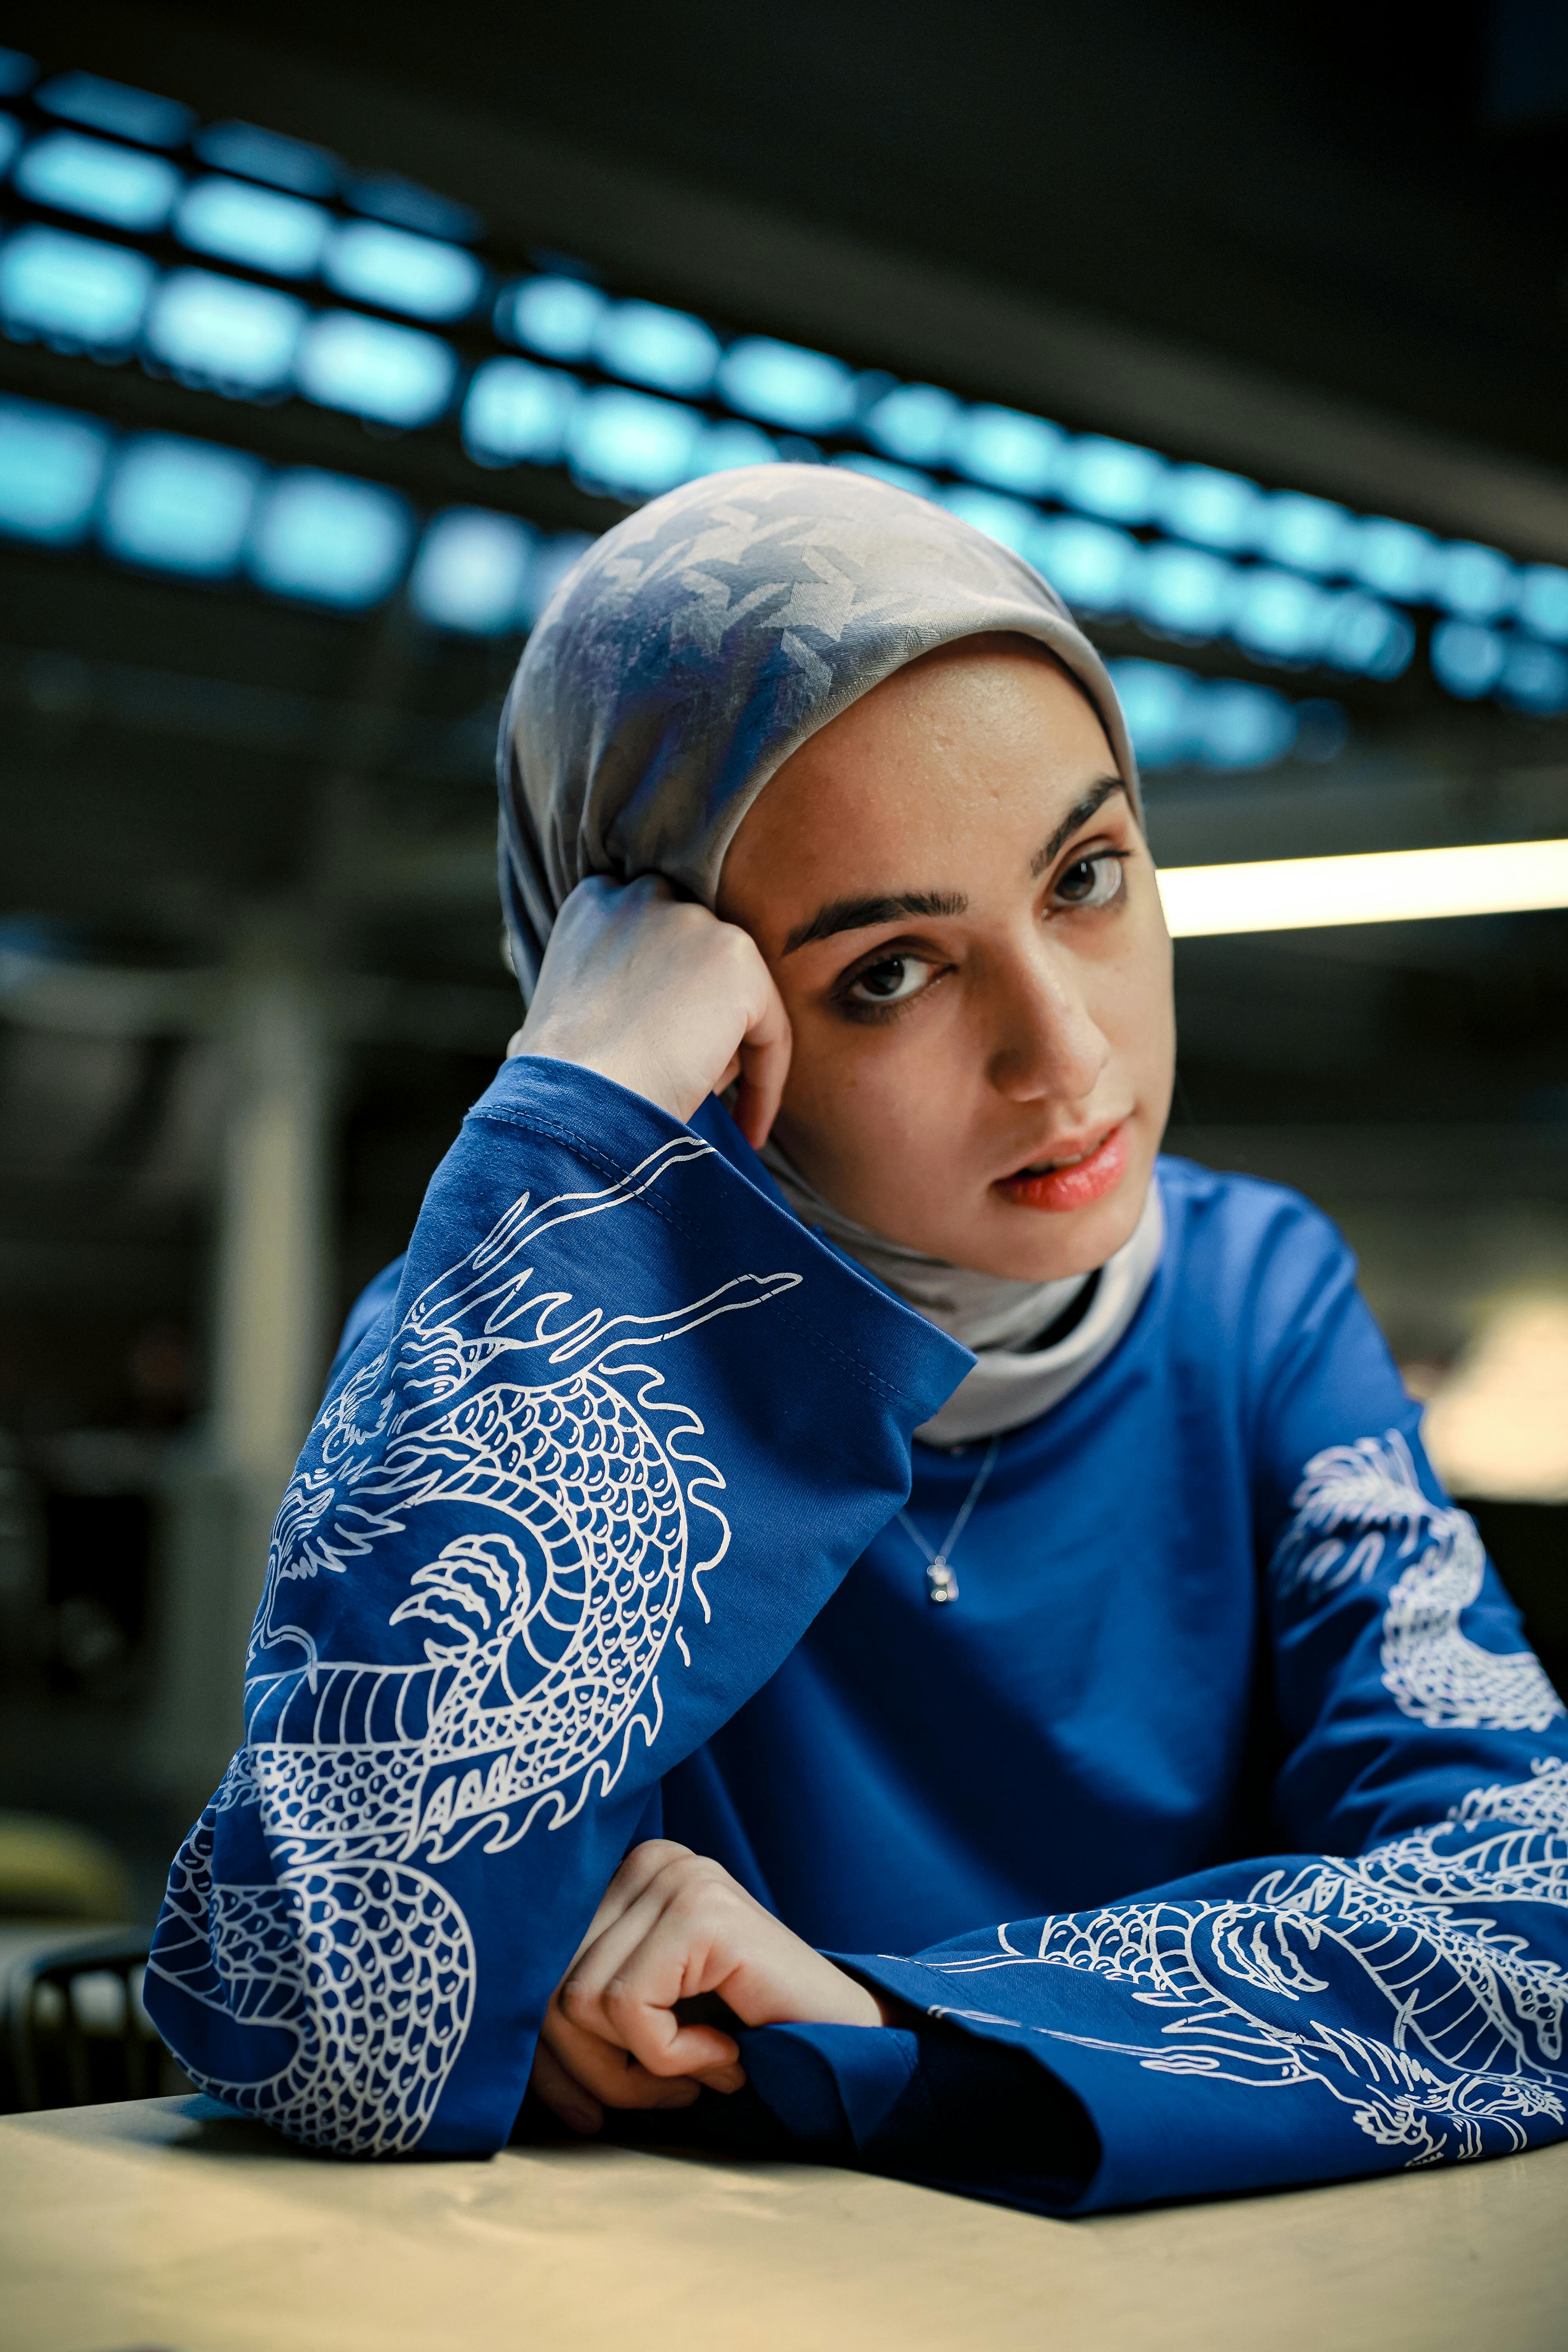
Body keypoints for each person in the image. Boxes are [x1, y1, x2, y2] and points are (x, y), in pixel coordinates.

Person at [145, 466, 1568, 2211]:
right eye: (888, 971)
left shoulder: (1253, 1300)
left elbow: (1540, 1912)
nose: (1064, 1055)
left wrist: (879, 2022)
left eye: (1087, 876)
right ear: (704, 1017)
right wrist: (574, 1120)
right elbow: (334, 2027)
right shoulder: (524, 1338)